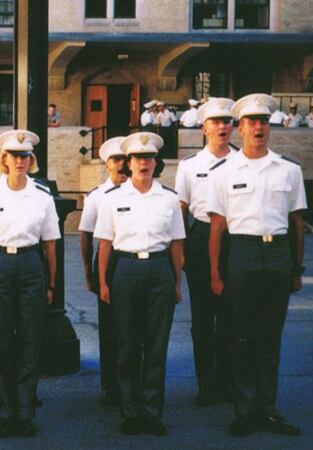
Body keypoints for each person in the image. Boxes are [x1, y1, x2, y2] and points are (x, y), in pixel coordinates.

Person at [207, 93, 306, 437]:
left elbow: (296, 224)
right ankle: (245, 410)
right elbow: (217, 227)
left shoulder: (289, 170)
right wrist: (216, 273)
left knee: (271, 337)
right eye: (251, 122)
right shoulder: (223, 172)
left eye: (263, 121)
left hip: (277, 253)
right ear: (240, 128)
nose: (258, 127)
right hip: (242, 253)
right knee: (243, 336)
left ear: (270, 126)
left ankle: (269, 409)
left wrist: (297, 268)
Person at [0, 130, 59, 438]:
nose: (19, 161)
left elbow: (50, 245)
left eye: (24, 156)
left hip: (32, 265)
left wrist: (51, 285)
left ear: (31, 160)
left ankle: (25, 412)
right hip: (1, 267)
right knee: (3, 343)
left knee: (31, 341)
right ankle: (6, 412)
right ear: (3, 160)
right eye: (13, 156)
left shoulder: (42, 194)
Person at [95, 132, 185, 436]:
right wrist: (104, 282)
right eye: (137, 158)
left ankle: (151, 412)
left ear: (155, 162)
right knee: (127, 345)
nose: (143, 163)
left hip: (160, 269)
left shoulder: (169, 199)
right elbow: (105, 244)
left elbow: (176, 245)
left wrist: (176, 282)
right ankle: (130, 412)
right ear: (128, 163)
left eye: (149, 158)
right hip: (126, 269)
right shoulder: (113, 199)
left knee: (156, 346)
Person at [174, 98, 235, 408]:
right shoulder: (189, 166)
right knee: (202, 317)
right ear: (203, 128)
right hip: (199, 238)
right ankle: (207, 385)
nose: (222, 127)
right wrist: (181, 253)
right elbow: (181, 213)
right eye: (216, 122)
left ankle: (228, 382)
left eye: (227, 122)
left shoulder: (242, 162)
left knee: (232, 317)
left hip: (235, 240)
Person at [78, 136, 127, 407]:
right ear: (107, 164)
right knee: (109, 327)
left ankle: (135, 382)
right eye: (116, 160)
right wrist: (88, 272)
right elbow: (85, 234)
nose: (121, 165)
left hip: (136, 260)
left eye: (124, 160)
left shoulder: (140, 191)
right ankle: (112, 386)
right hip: (109, 262)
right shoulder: (97, 196)